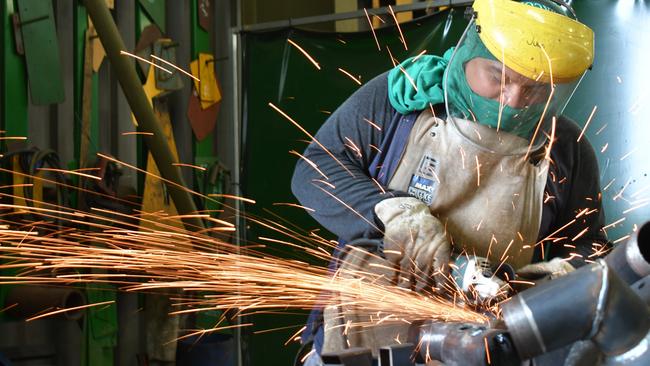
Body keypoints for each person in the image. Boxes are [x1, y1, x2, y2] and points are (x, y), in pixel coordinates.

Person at [292, 0, 608, 364]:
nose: (513, 100)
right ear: (471, 47)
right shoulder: (404, 102)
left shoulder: (565, 147)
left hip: (484, 342)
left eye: (535, 88)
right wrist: (396, 214)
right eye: (498, 75)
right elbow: (314, 170)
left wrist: (561, 277)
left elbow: (590, 246)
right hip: (368, 335)